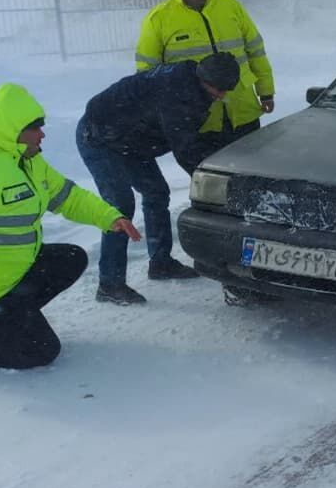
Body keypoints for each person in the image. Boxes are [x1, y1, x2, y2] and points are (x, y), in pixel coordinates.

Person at [0, 84, 140, 384]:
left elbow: (68, 196)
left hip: (2, 283)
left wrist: (109, 217)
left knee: (71, 258)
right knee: (41, 351)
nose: (41, 134)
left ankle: (8, 321)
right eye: (34, 128)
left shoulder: (29, 162)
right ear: (12, 130)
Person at [75, 52, 242, 305]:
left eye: (226, 90)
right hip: (99, 137)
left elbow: (190, 139)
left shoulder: (193, 85)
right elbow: (186, 151)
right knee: (119, 206)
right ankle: (109, 284)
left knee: (156, 192)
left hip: (131, 141)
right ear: (205, 79)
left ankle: (161, 263)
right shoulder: (176, 95)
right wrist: (216, 190)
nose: (222, 95)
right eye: (219, 89)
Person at [135, 0, 276, 155]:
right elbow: (148, 75)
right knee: (209, 174)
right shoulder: (158, 19)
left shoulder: (231, 6)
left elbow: (256, 52)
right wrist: (161, 116)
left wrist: (266, 92)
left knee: (252, 169)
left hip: (243, 112)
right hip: (197, 120)